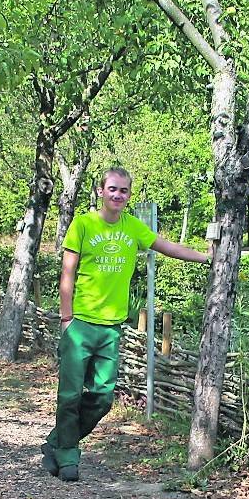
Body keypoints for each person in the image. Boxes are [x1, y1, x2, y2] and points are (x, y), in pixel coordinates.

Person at [40, 167, 208, 482]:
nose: (118, 195)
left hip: (111, 328)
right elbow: (67, 274)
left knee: (103, 397)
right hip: (80, 324)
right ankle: (67, 456)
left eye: (124, 190)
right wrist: (66, 319)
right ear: (101, 191)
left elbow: (168, 247)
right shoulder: (83, 224)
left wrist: (205, 257)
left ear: (129, 195)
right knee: (70, 395)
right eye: (113, 189)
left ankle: (57, 442)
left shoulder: (133, 227)